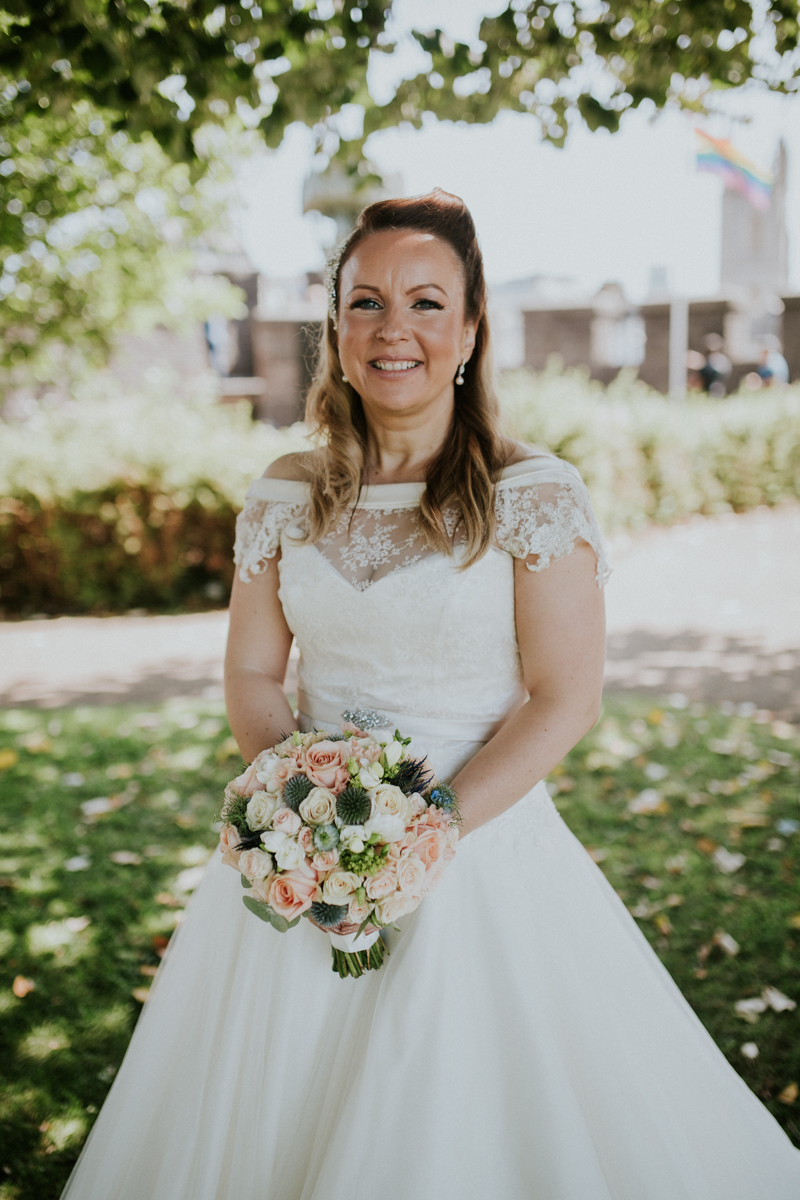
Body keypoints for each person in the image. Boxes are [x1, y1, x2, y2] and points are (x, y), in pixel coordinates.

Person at [61, 190, 800, 1200]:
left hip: (484, 858)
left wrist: (420, 836)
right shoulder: (284, 491)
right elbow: (248, 672)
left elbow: (561, 698)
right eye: (363, 301)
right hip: (302, 864)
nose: (390, 328)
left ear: (468, 324)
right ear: (334, 326)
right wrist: (297, 808)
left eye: (422, 301)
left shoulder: (531, 494)